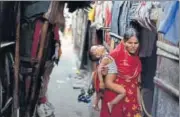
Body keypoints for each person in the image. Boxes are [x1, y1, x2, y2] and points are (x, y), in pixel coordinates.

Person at [99, 28, 142, 117]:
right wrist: (103, 75)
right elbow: (102, 75)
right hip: (114, 97)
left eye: (136, 43)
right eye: (129, 43)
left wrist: (139, 103)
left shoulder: (137, 61)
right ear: (124, 42)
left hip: (131, 101)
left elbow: (136, 84)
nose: (133, 46)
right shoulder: (115, 55)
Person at [89, 45, 126, 113]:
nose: (99, 46)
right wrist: (101, 82)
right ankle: (111, 104)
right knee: (123, 92)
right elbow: (100, 70)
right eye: (97, 48)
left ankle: (96, 104)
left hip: (108, 80)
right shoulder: (105, 59)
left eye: (98, 46)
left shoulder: (105, 56)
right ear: (97, 55)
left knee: (100, 93)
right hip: (109, 82)